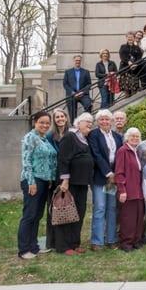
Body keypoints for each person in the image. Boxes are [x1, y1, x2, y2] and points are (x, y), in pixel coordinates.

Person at [17, 111, 57, 259]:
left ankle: (34, 246)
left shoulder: (44, 139)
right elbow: (26, 161)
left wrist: (50, 179)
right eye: (42, 122)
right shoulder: (30, 137)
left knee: (37, 215)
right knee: (29, 215)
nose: (45, 125)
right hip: (32, 180)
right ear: (35, 122)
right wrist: (31, 182)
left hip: (44, 182)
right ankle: (23, 249)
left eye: (47, 123)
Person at [55, 113, 94, 255]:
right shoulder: (70, 136)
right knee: (67, 212)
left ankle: (75, 243)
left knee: (79, 212)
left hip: (82, 182)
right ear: (78, 123)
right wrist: (65, 180)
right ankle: (63, 246)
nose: (90, 124)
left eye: (91, 122)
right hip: (71, 182)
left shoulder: (84, 138)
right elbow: (63, 159)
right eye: (87, 121)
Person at [87, 109, 123, 251]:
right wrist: (108, 173)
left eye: (107, 119)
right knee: (100, 208)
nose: (104, 121)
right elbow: (96, 155)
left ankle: (111, 238)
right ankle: (97, 241)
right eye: (101, 119)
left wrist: (116, 174)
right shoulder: (93, 135)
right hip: (100, 178)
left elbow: (120, 156)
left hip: (113, 179)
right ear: (97, 121)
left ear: (111, 121)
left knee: (111, 208)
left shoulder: (117, 136)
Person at [115, 127, 145, 252]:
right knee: (128, 218)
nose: (135, 138)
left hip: (138, 190)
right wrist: (122, 190)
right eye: (132, 136)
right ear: (127, 137)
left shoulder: (136, 151)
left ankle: (136, 241)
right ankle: (126, 243)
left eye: (137, 136)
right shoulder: (123, 150)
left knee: (138, 217)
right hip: (128, 190)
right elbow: (119, 172)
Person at [46, 108, 71, 250]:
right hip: (55, 175)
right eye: (57, 117)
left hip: (69, 175)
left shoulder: (71, 134)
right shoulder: (50, 136)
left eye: (62, 116)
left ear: (66, 118)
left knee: (67, 206)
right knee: (54, 207)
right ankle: (53, 241)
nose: (60, 119)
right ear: (54, 120)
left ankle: (67, 240)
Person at [63, 55, 92, 120]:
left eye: (79, 60)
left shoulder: (86, 72)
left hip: (83, 94)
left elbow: (89, 84)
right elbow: (65, 84)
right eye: (76, 60)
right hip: (72, 95)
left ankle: (86, 120)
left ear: (81, 61)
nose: (78, 62)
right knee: (72, 110)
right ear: (74, 61)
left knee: (88, 104)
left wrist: (83, 92)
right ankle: (73, 124)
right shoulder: (68, 72)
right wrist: (73, 92)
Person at [119, 32, 143, 96]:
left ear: (134, 38)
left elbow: (139, 57)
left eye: (131, 37)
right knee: (126, 91)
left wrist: (135, 64)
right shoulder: (123, 46)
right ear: (126, 38)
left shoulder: (137, 48)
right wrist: (128, 62)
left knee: (134, 90)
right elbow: (122, 56)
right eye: (128, 37)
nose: (130, 38)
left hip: (134, 71)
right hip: (125, 71)